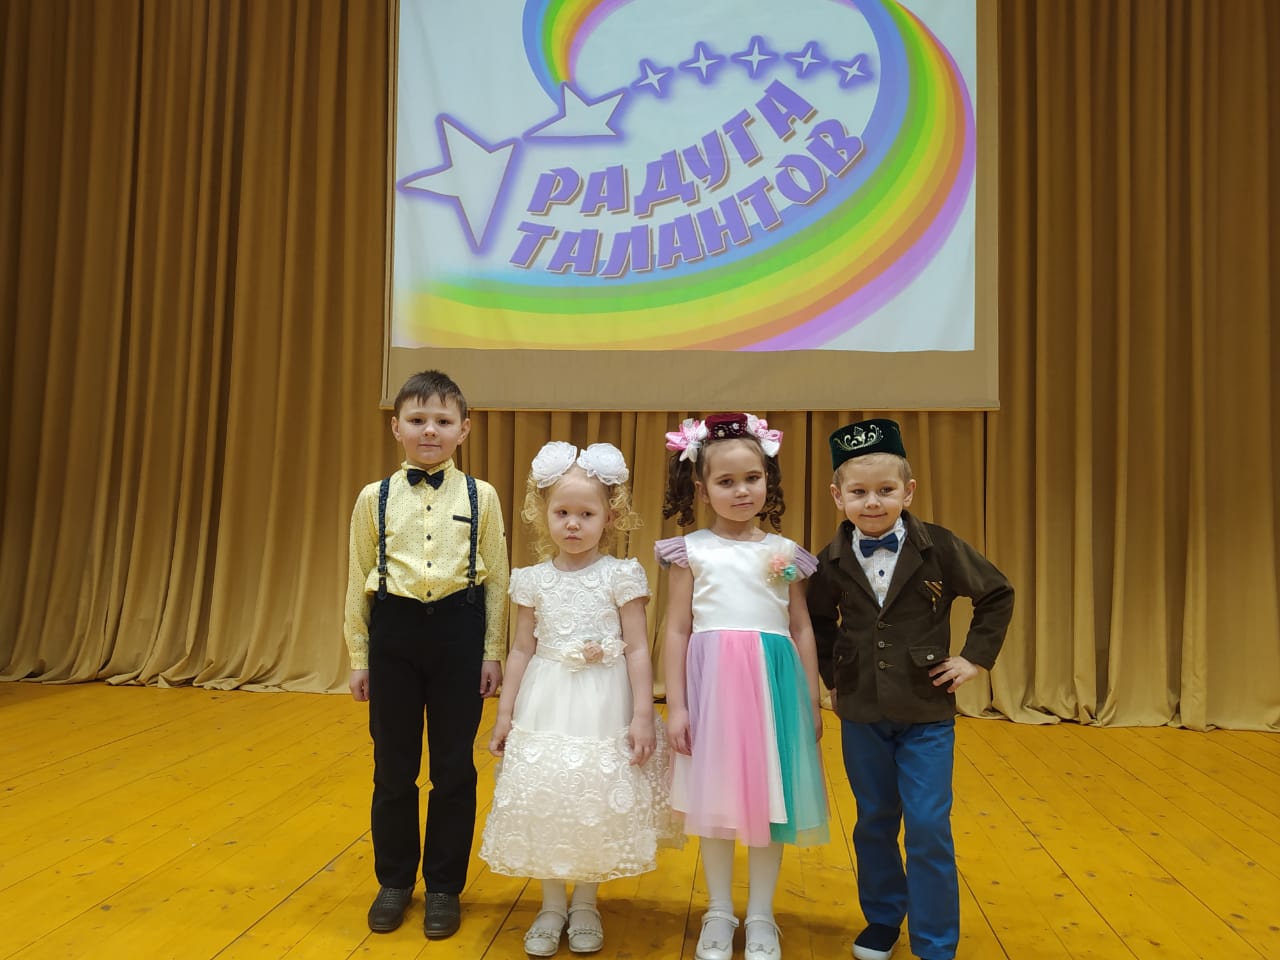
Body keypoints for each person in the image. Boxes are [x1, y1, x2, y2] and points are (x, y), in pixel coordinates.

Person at [806, 418, 1014, 960]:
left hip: (926, 712)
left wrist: (974, 658)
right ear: (838, 497)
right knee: (874, 821)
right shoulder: (828, 560)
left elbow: (996, 594)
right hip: (862, 712)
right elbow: (816, 622)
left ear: (908, 491)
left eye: (885, 490)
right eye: (858, 492)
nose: (872, 502)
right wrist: (834, 678)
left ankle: (935, 941)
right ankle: (882, 919)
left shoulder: (938, 546)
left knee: (927, 825)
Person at [479, 440, 682, 957]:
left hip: (603, 702)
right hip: (545, 700)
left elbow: (638, 648)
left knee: (593, 792)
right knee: (547, 791)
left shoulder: (621, 575)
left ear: (609, 517)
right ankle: (551, 905)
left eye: (586, 514)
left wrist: (643, 714)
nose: (573, 524)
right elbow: (521, 649)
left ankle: (586, 902)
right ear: (542, 514)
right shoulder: (532, 580)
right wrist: (504, 715)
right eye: (562, 513)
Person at [343, 369, 509, 939]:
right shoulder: (374, 497)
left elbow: (497, 578)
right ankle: (393, 881)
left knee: (453, 767)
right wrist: (359, 656)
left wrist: (492, 651)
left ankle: (443, 886)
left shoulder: (482, 496)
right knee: (393, 767)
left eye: (442, 420)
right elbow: (357, 578)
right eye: (417, 420)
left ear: (465, 428)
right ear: (397, 428)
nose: (430, 430)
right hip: (394, 634)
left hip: (459, 634)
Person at [656, 413, 828, 960]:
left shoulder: (784, 552)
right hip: (713, 690)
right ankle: (718, 909)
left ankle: (760, 916)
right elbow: (676, 629)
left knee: (770, 803)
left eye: (752, 478)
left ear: (767, 480)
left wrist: (810, 699)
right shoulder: (691, 550)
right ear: (702, 488)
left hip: (773, 689)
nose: (741, 491)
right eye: (725, 481)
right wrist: (678, 705)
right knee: (716, 802)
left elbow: (800, 627)